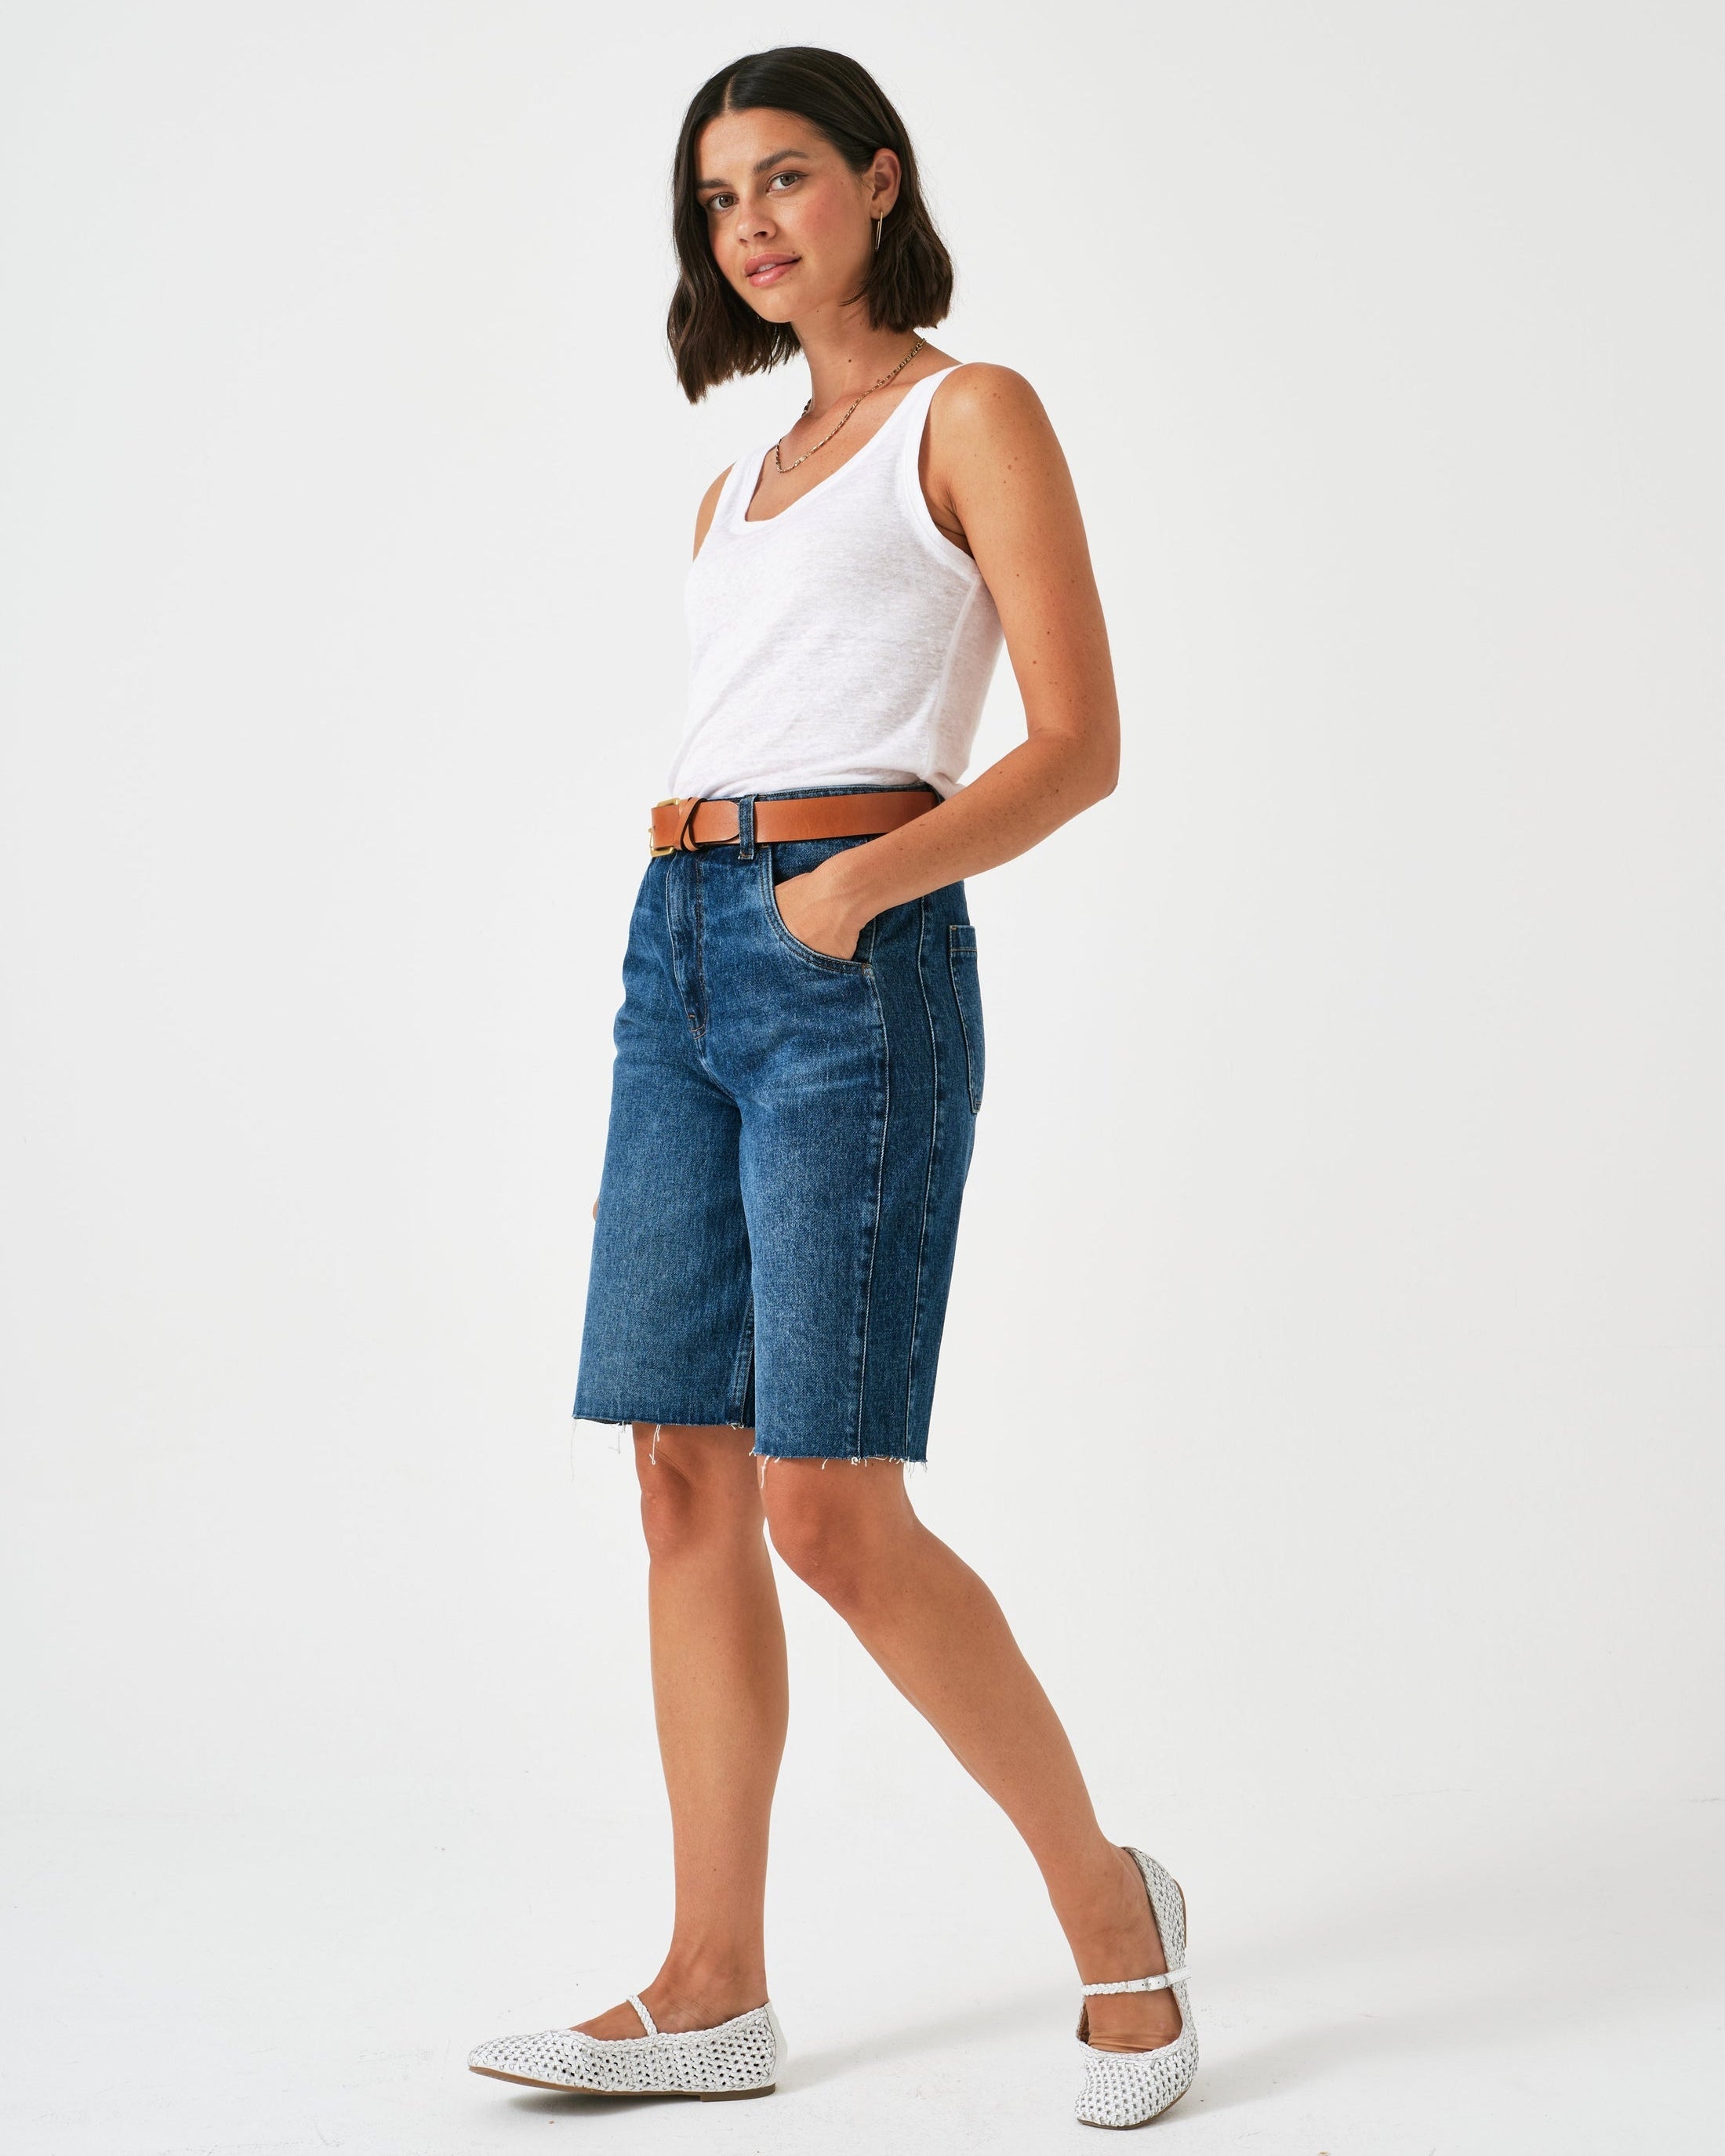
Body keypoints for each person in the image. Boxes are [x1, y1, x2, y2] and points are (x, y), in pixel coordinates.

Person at [468, 46, 1197, 2132]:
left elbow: (1077, 741)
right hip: (677, 946)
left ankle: (1115, 1922)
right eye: (719, 200)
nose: (755, 224)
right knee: (679, 1476)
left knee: (832, 1510)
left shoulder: (975, 416)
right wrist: (734, 915)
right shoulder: (740, 480)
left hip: (843, 958)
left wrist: (849, 897)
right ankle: (710, 1987)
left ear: (879, 185)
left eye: (789, 178)